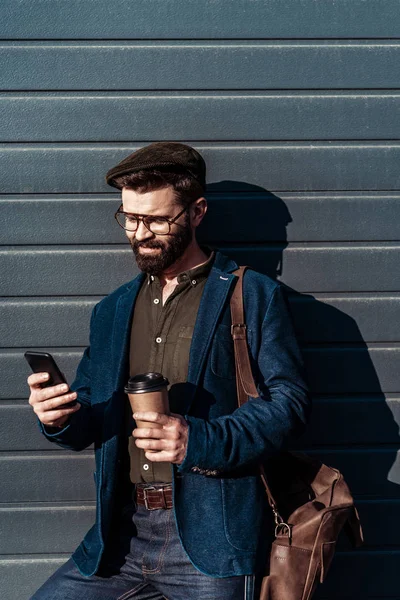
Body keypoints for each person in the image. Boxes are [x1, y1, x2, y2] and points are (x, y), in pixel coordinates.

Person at [27, 142, 311, 600]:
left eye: (157, 219)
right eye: (130, 218)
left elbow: (290, 405)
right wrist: (59, 417)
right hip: (118, 539)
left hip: (210, 541)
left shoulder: (251, 295)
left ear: (197, 212)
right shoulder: (113, 309)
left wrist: (196, 440)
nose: (140, 234)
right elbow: (91, 417)